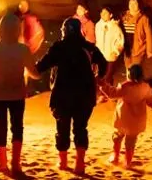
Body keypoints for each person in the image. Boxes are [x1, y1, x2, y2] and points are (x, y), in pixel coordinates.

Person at [35, 17, 108, 175]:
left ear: (65, 31)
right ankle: (80, 163)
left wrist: (26, 68)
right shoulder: (88, 47)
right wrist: (99, 77)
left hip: (63, 95)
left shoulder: (59, 47)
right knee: (81, 128)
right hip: (84, 94)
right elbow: (104, 63)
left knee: (62, 128)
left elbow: (41, 67)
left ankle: (63, 162)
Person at [0, 12, 41, 174]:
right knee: (17, 127)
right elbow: (34, 73)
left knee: (1, 127)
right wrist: (40, 70)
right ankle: (15, 163)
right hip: (17, 95)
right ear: (17, 30)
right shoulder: (22, 49)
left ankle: (3, 163)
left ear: (0, 30)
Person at [102, 64, 152, 168]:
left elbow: (112, 93)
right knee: (131, 142)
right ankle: (128, 162)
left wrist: (103, 85)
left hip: (123, 119)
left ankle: (115, 156)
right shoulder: (145, 87)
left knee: (117, 137)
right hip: (136, 121)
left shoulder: (125, 87)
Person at [121, 0, 152, 73]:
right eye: (130, 3)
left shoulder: (144, 18)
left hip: (138, 49)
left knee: (135, 70)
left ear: (139, 5)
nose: (132, 5)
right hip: (127, 49)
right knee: (128, 69)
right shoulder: (124, 17)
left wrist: (149, 51)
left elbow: (149, 35)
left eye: (135, 3)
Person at [95, 6, 125, 87]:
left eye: (105, 13)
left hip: (110, 56)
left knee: (108, 77)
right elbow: (97, 40)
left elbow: (120, 41)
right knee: (100, 77)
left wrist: (115, 52)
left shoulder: (115, 27)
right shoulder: (98, 25)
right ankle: (105, 92)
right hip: (100, 56)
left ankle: (109, 92)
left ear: (111, 15)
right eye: (101, 12)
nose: (103, 14)